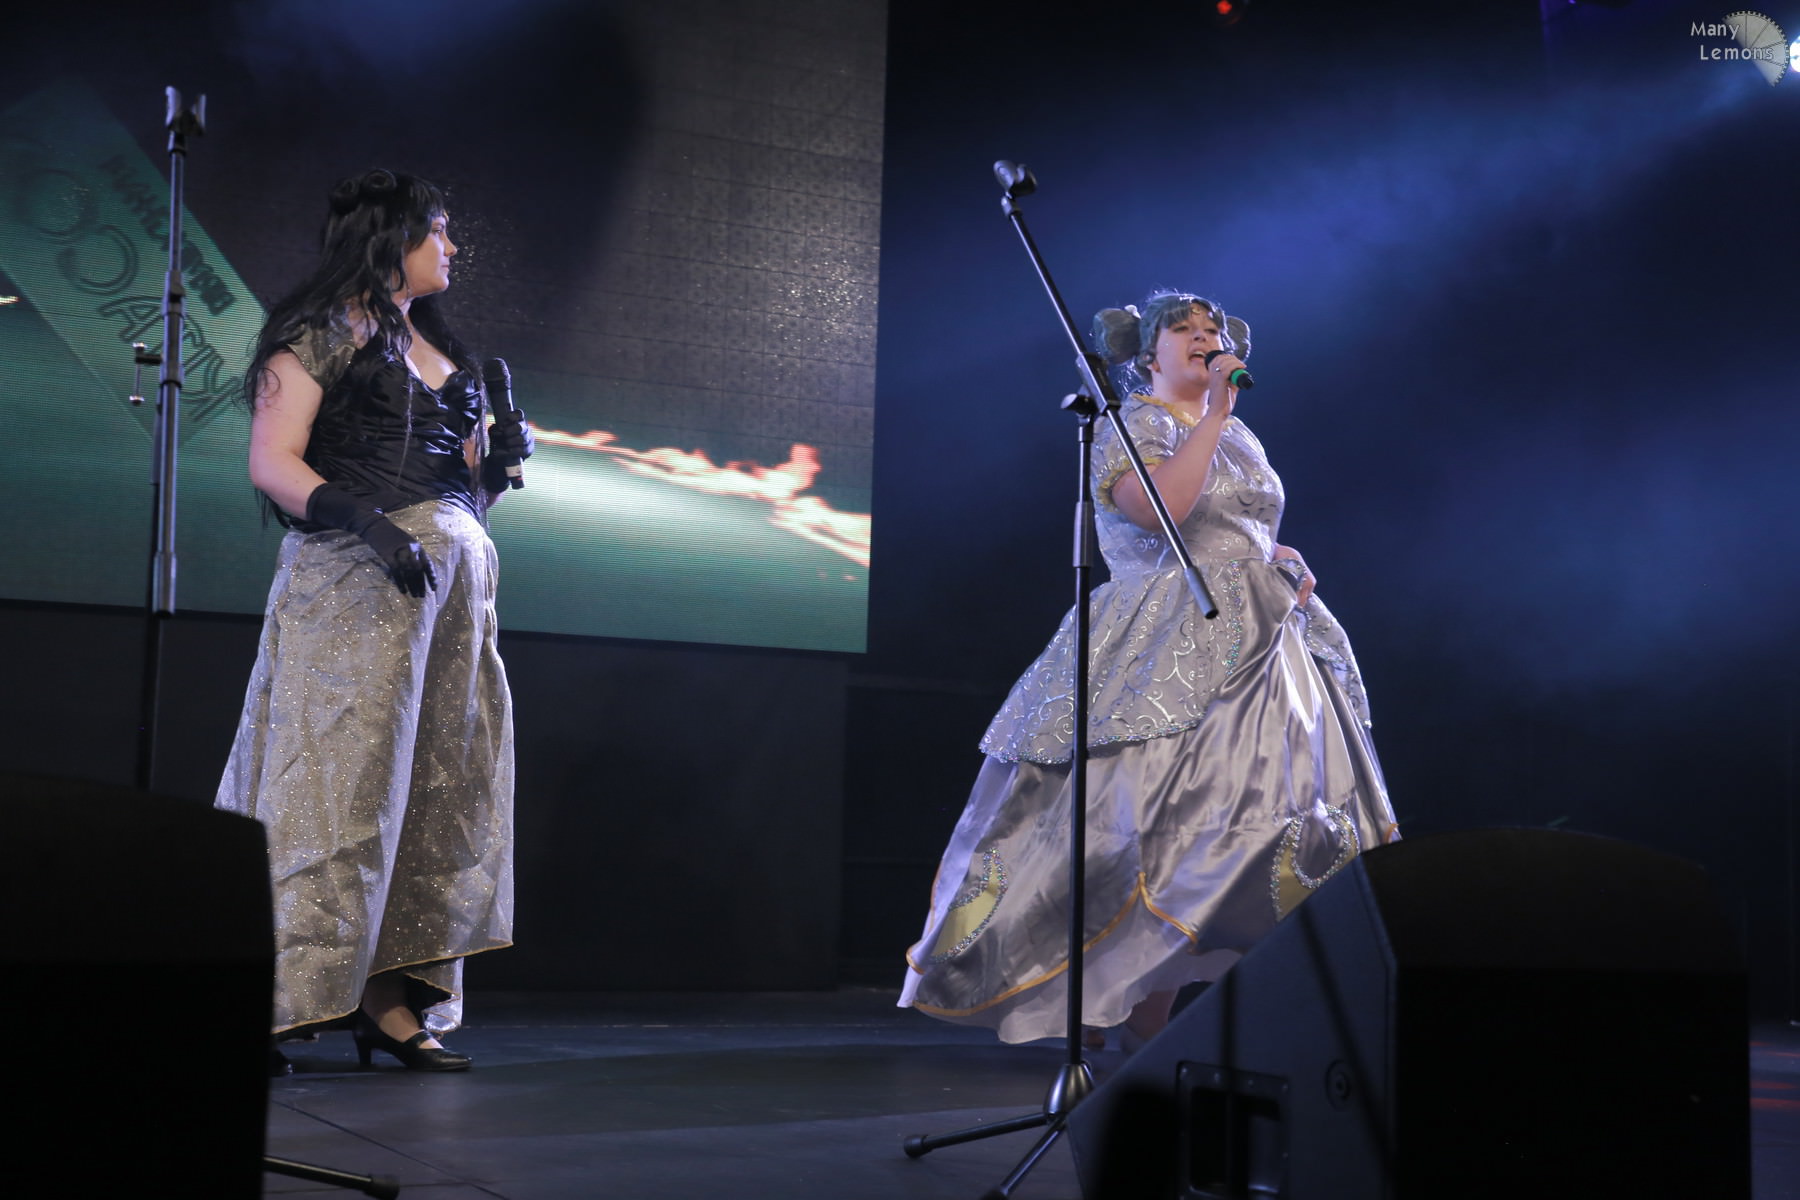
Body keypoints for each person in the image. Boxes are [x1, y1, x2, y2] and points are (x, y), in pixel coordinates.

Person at [900, 291, 1398, 1046]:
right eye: (1185, 330)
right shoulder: (1134, 423)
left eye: (1214, 329)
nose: (1206, 337)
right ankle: (1124, 1011)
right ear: (1146, 355)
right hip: (1162, 635)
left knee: (1258, 814)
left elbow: (1237, 519)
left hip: (1261, 639)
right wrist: (1216, 415)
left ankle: (1190, 1023)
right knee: (1153, 817)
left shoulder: (1240, 434)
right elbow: (1159, 510)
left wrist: (1273, 552)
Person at [216, 169, 533, 1072]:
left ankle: (386, 1000)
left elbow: (460, 496)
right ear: (391, 239)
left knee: (435, 791)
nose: (452, 247)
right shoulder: (320, 333)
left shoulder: (446, 352)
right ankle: (278, 995)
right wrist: (368, 524)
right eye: (439, 230)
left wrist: (492, 473)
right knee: (333, 788)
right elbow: (274, 461)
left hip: (450, 598)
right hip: (355, 584)